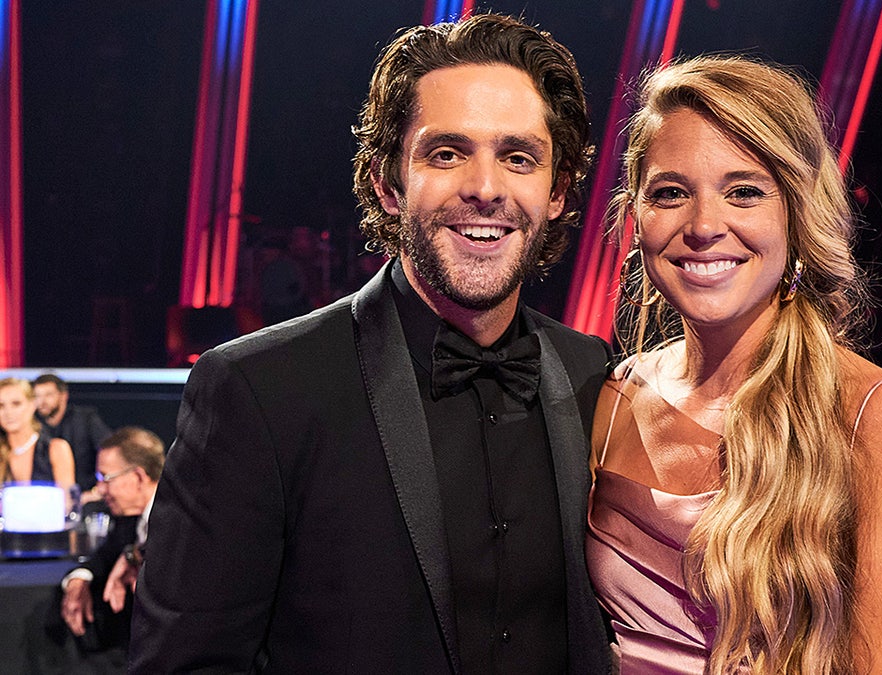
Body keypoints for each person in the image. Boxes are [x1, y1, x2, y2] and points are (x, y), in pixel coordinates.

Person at [130, 13, 611, 674]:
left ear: (556, 191)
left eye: (518, 157)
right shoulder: (257, 389)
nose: (486, 186)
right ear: (388, 183)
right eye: (446, 153)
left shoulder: (597, 374)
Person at [586, 56, 882, 673]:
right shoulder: (610, 399)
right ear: (637, 218)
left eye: (744, 192)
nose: (705, 225)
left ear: (796, 212)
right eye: (671, 193)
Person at [59, 427, 163, 672]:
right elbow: (104, 557)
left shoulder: (182, 519)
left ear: (138, 476)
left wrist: (132, 556)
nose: (100, 489)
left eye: (105, 478)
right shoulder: (128, 517)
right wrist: (78, 580)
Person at [33, 373, 112, 498]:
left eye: (48, 395)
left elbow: (108, 449)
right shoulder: (33, 425)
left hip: (87, 494)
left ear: (63, 396)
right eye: (37, 396)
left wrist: (97, 490)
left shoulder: (85, 419)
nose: (42, 402)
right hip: (47, 498)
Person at [0, 377, 75, 492]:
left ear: (32, 405)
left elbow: (68, 502)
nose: (8, 412)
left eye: (16, 404)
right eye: (1, 406)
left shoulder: (56, 449)